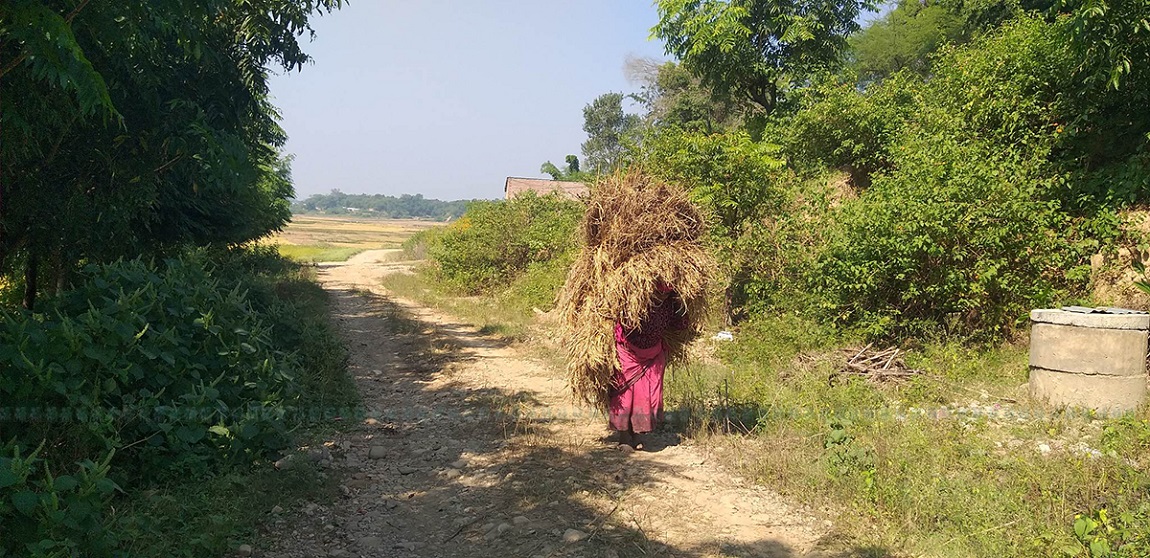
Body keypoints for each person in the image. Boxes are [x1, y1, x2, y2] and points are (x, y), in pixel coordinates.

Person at [607, 283, 687, 449]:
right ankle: (624, 436)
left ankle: (638, 433)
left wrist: (681, 305)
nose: (661, 297)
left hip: (653, 354)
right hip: (628, 352)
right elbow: (622, 319)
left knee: (646, 395)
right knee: (625, 394)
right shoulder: (637, 299)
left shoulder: (671, 304)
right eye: (659, 293)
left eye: (665, 294)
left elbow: (680, 325)